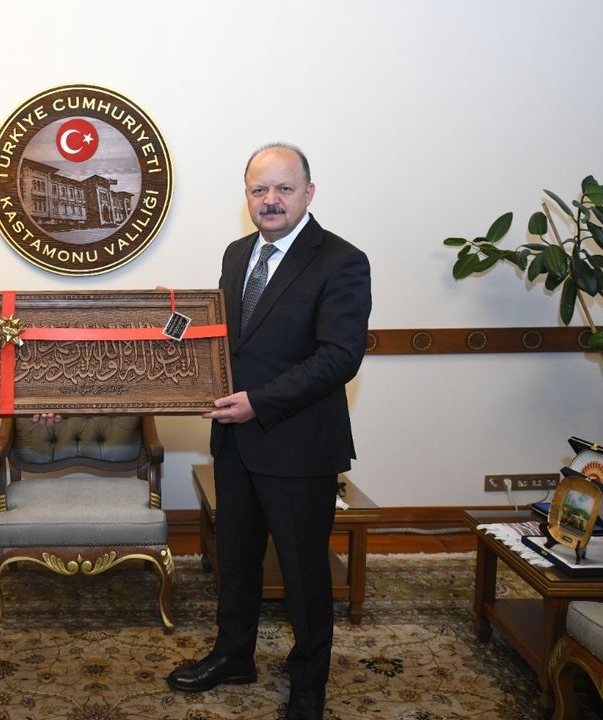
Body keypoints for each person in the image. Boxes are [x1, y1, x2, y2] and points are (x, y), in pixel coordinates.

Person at [166, 143, 372, 719]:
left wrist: (258, 403)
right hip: (236, 444)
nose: (271, 199)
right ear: (247, 197)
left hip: (298, 446)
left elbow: (339, 357)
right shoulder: (238, 254)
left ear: (309, 193)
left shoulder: (342, 260)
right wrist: (168, 316)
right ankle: (234, 656)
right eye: (260, 189)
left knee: (304, 574)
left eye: (284, 188)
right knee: (235, 561)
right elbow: (224, 336)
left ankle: (308, 684)